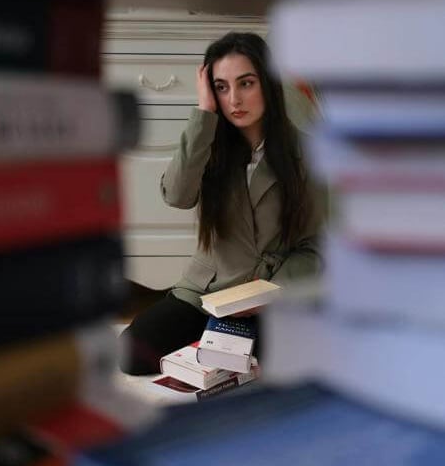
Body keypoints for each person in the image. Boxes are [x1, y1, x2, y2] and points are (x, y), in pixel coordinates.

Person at [120, 31, 324, 375]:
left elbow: (315, 246)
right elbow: (176, 195)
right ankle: (210, 340)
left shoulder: (307, 152)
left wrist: (268, 293)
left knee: (278, 367)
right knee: (131, 356)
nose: (234, 100)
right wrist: (203, 115)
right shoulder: (208, 142)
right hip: (205, 292)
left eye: (246, 83)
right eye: (222, 87)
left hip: (269, 294)